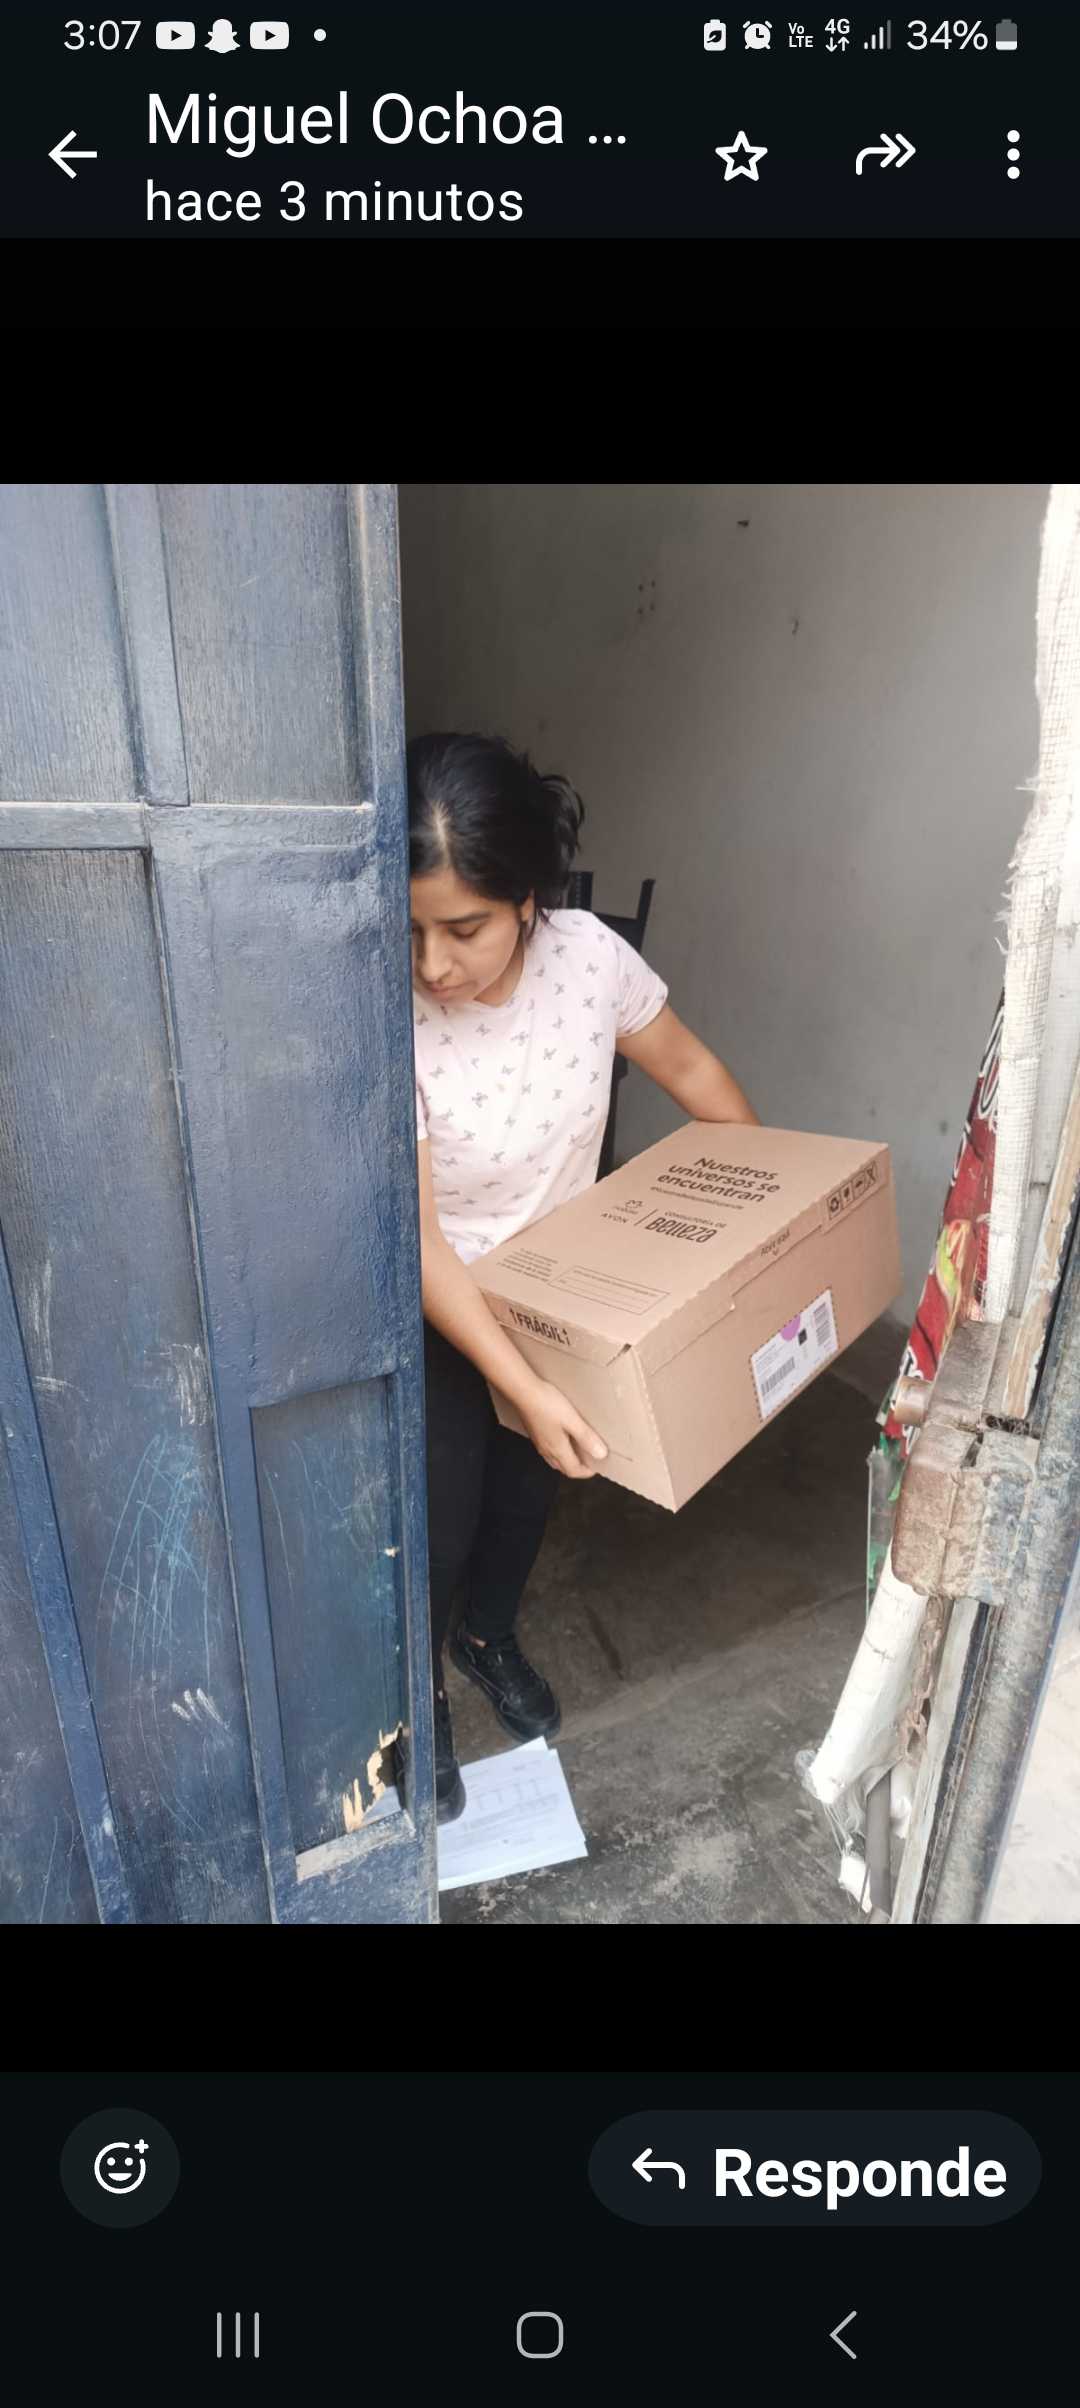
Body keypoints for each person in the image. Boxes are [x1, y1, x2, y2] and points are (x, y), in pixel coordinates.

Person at [410, 731, 759, 1821]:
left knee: (535, 1486)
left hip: (557, 1289)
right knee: (439, 1513)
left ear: (527, 900)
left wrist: (766, 1218)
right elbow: (417, 1239)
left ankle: (484, 1636)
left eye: (463, 928)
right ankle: (413, 1691)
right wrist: (516, 1383)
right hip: (440, 1298)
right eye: (412, 929)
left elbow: (689, 1066)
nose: (434, 966)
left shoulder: (592, 962)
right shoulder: (384, 1009)